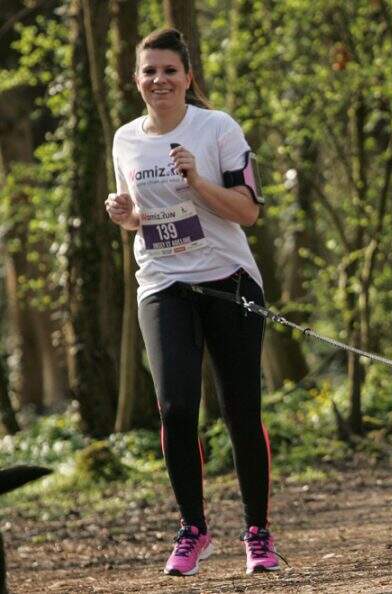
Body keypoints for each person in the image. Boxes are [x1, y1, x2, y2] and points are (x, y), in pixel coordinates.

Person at [105, 28, 281, 576]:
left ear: (187, 78)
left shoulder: (217, 128)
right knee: (177, 407)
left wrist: (197, 181)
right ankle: (193, 529)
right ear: (136, 79)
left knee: (240, 411)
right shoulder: (125, 139)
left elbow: (248, 212)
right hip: (162, 284)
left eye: (169, 71)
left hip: (226, 280)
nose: (159, 80)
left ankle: (257, 533)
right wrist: (125, 215)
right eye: (149, 71)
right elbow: (141, 217)